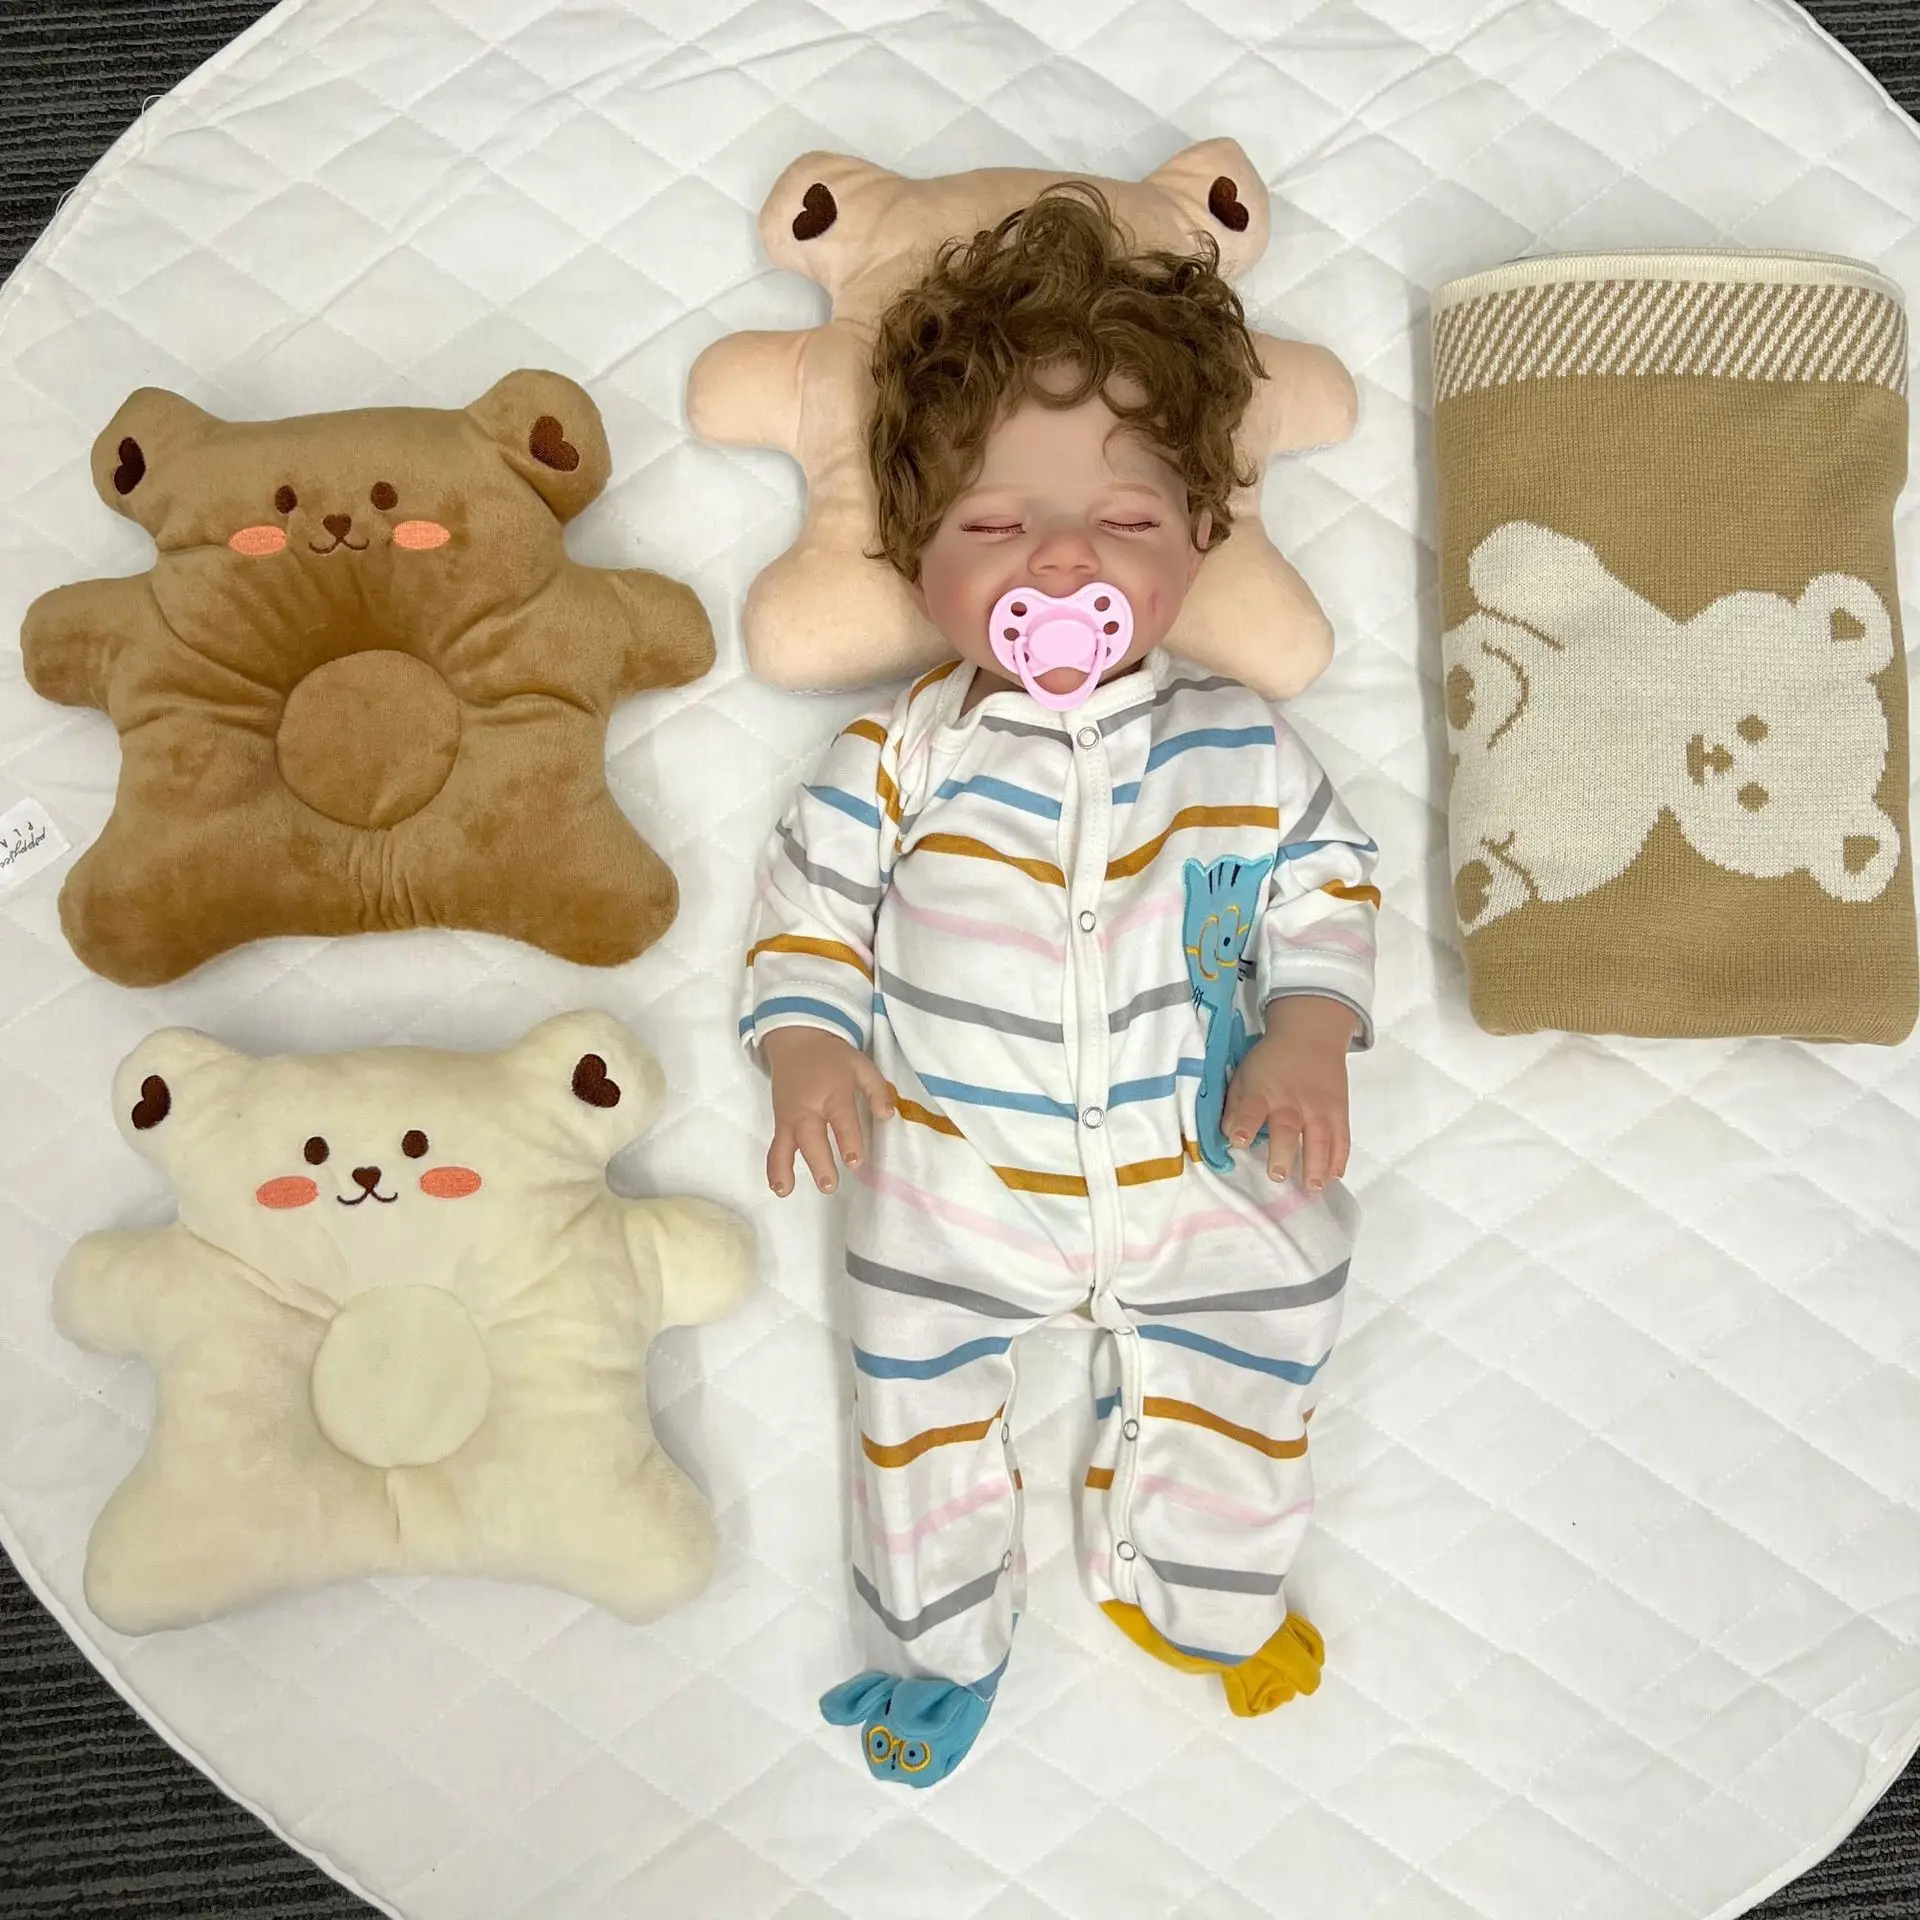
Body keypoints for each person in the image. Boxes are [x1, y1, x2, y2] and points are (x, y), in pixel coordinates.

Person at [740, 184, 1378, 1788]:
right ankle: (937, 1648)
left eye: (1129, 526)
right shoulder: (902, 749)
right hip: (955, 1173)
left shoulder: (1238, 743)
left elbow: (1327, 877)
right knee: (905, 1380)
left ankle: (1206, 1596)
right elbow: (809, 903)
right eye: (997, 527)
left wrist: (1310, 1028)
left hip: (1202, 1148)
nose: (1066, 561)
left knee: (1279, 1297)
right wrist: (808, 1042)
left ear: (1202, 542)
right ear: (914, 555)